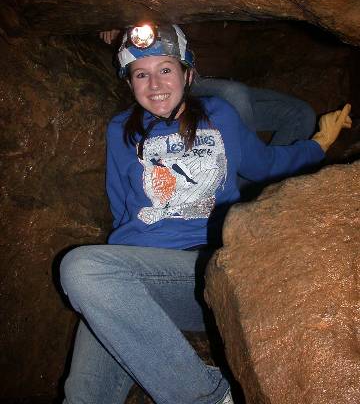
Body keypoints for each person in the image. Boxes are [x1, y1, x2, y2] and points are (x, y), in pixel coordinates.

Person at [60, 24, 351, 404]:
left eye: (165, 69)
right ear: (129, 84)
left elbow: (265, 166)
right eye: (141, 74)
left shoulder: (219, 114)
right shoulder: (120, 130)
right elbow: (122, 208)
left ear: (188, 74)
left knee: (83, 268)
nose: (155, 84)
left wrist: (318, 144)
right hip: (131, 277)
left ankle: (206, 396)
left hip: (201, 274)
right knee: (82, 398)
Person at [100, 29, 316, 147]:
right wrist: (121, 31)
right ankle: (242, 176)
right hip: (192, 83)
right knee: (234, 94)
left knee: (301, 114)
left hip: (221, 81)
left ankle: (266, 183)